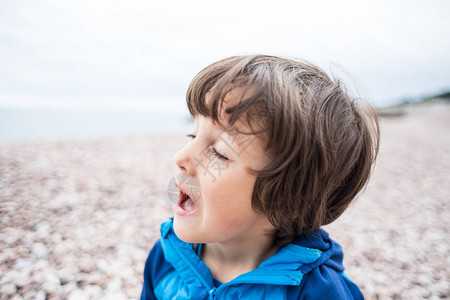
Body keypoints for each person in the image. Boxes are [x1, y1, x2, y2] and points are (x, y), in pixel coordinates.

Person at [140, 55, 379, 299]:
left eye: (219, 152)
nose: (181, 157)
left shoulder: (318, 293)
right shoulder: (166, 258)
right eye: (193, 135)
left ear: (286, 200)